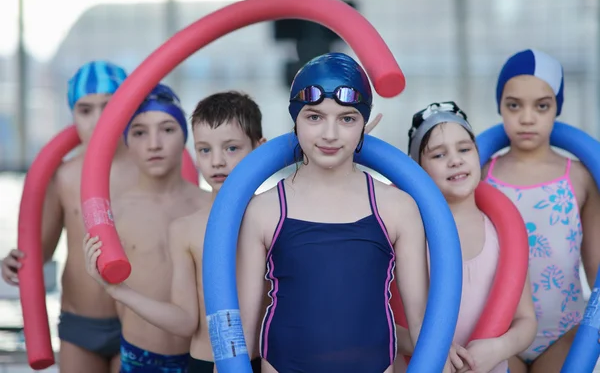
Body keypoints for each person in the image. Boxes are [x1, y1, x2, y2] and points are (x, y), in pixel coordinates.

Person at [235, 52, 429, 373]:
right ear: (294, 120)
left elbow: (421, 321)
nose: (330, 134)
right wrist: (225, 364)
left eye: (347, 119)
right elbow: (242, 323)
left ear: (365, 123)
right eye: (314, 117)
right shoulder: (264, 210)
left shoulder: (397, 208)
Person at [85, 91, 267, 372]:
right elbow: (185, 320)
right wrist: (117, 290)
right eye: (205, 150)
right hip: (204, 364)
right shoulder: (185, 229)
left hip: (267, 363)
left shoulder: (277, 217)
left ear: (260, 149)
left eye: (231, 148)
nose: (217, 161)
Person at [1, 61, 137, 373]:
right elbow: (41, 250)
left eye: (109, 106)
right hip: (80, 320)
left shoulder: (150, 169)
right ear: (72, 115)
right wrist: (14, 261)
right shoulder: (62, 176)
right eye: (85, 110)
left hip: (140, 318)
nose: (99, 118)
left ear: (129, 108)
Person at [398, 101, 537, 373]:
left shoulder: (503, 232)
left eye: (464, 149)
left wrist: (498, 348)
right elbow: (384, 321)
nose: (455, 160)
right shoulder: (408, 233)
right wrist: (428, 346)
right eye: (438, 155)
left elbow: (526, 321)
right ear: (418, 170)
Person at [483, 49, 600, 373]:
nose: (527, 117)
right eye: (514, 105)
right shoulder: (480, 176)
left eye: (542, 106)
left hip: (565, 333)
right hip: (500, 332)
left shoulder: (580, 176)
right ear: (500, 107)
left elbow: (596, 268)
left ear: (556, 108)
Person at [83, 83, 210, 372]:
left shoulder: (210, 206)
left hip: (201, 357)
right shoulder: (113, 213)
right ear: (126, 141)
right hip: (139, 357)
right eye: (140, 132)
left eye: (167, 129)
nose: (154, 143)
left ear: (185, 138)